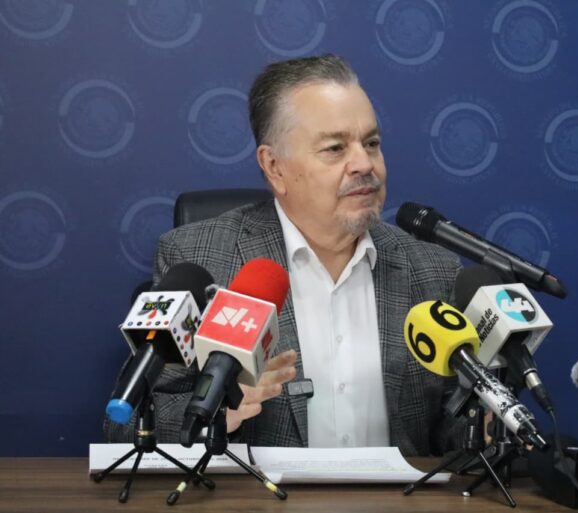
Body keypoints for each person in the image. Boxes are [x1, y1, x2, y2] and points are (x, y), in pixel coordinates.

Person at [105, 54, 462, 456]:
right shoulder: (200, 260)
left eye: (372, 143)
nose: (364, 164)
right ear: (274, 166)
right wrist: (221, 408)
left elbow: (453, 432)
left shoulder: (432, 271)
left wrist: (480, 429)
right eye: (335, 148)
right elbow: (126, 426)